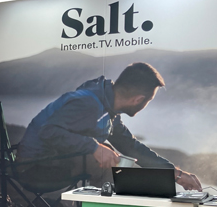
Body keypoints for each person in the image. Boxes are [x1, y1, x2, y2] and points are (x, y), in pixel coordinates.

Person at [16, 62, 201, 190]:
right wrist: (94, 147)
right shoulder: (88, 103)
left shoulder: (108, 109)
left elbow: (132, 147)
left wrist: (175, 174)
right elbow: (48, 131)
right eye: (148, 101)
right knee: (110, 164)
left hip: (53, 161)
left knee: (114, 157)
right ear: (138, 99)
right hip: (33, 169)